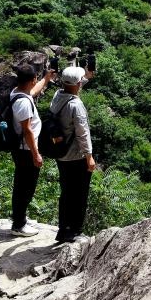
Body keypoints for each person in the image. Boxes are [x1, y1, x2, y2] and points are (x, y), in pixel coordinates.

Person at [50, 65, 96, 243]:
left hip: (61, 155)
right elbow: (83, 133)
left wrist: (86, 77)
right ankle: (74, 231)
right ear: (77, 84)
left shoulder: (58, 96)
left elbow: (72, 85)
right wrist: (89, 157)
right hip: (76, 156)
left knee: (66, 192)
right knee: (80, 194)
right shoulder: (76, 105)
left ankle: (63, 229)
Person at [9, 64, 54, 237]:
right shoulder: (23, 103)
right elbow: (27, 130)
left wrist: (46, 79)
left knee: (22, 184)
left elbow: (33, 91)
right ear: (32, 79)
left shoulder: (17, 92)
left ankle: (20, 218)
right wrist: (36, 154)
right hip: (26, 151)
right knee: (25, 187)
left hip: (23, 149)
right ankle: (19, 225)